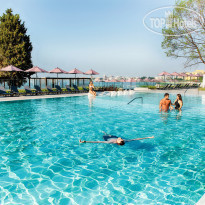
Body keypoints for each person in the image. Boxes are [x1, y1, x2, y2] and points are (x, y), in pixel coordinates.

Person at [79, 133, 154, 146]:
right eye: (122, 139)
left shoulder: (111, 142)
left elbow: (98, 142)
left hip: (107, 138)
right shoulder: (124, 140)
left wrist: (85, 141)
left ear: (117, 142)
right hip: (113, 136)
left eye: (120, 139)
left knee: (103, 134)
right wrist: (148, 137)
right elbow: (136, 139)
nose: (121, 138)